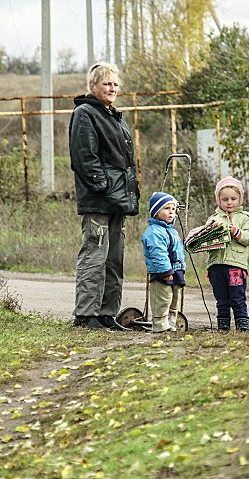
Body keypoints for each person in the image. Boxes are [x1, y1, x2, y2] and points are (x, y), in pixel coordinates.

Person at [69, 62, 139, 331]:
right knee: (95, 256)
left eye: (115, 84)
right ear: (93, 86)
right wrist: (105, 187)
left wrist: (126, 192)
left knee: (114, 259)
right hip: (100, 199)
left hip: (117, 200)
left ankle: (107, 313)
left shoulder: (115, 117)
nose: (112, 88)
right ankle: (86, 314)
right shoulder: (85, 113)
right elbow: (85, 158)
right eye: (106, 83)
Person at [205, 176, 249, 332]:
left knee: (237, 297)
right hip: (216, 266)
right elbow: (206, 242)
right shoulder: (213, 219)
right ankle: (223, 325)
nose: (229, 202)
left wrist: (235, 231)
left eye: (233, 198)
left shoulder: (245, 218)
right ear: (218, 200)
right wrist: (211, 231)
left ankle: (242, 325)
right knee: (221, 298)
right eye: (224, 199)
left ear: (240, 198)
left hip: (236, 266)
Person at [142, 192, 187, 334]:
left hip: (176, 270)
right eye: (166, 208)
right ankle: (160, 325)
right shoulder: (154, 232)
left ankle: (171, 322)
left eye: (173, 209)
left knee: (174, 299)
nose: (171, 212)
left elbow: (179, 251)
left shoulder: (172, 231)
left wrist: (181, 268)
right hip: (162, 272)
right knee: (162, 298)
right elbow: (158, 253)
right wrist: (166, 271)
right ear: (155, 212)